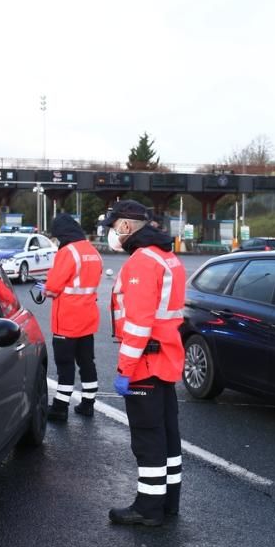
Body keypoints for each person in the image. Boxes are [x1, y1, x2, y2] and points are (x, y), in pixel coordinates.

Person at [104, 200, 186, 527]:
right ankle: (168, 501)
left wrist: (125, 370)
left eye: (113, 226)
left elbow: (138, 325)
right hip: (165, 359)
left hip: (145, 364)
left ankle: (148, 507)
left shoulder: (141, 262)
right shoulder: (168, 257)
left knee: (147, 437)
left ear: (125, 227)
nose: (112, 233)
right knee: (167, 434)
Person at [42, 213, 103, 421]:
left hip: (67, 321)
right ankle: (88, 403)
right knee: (87, 362)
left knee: (65, 364)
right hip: (88, 319)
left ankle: (60, 408)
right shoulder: (93, 252)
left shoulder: (68, 252)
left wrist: (46, 288)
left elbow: (52, 288)